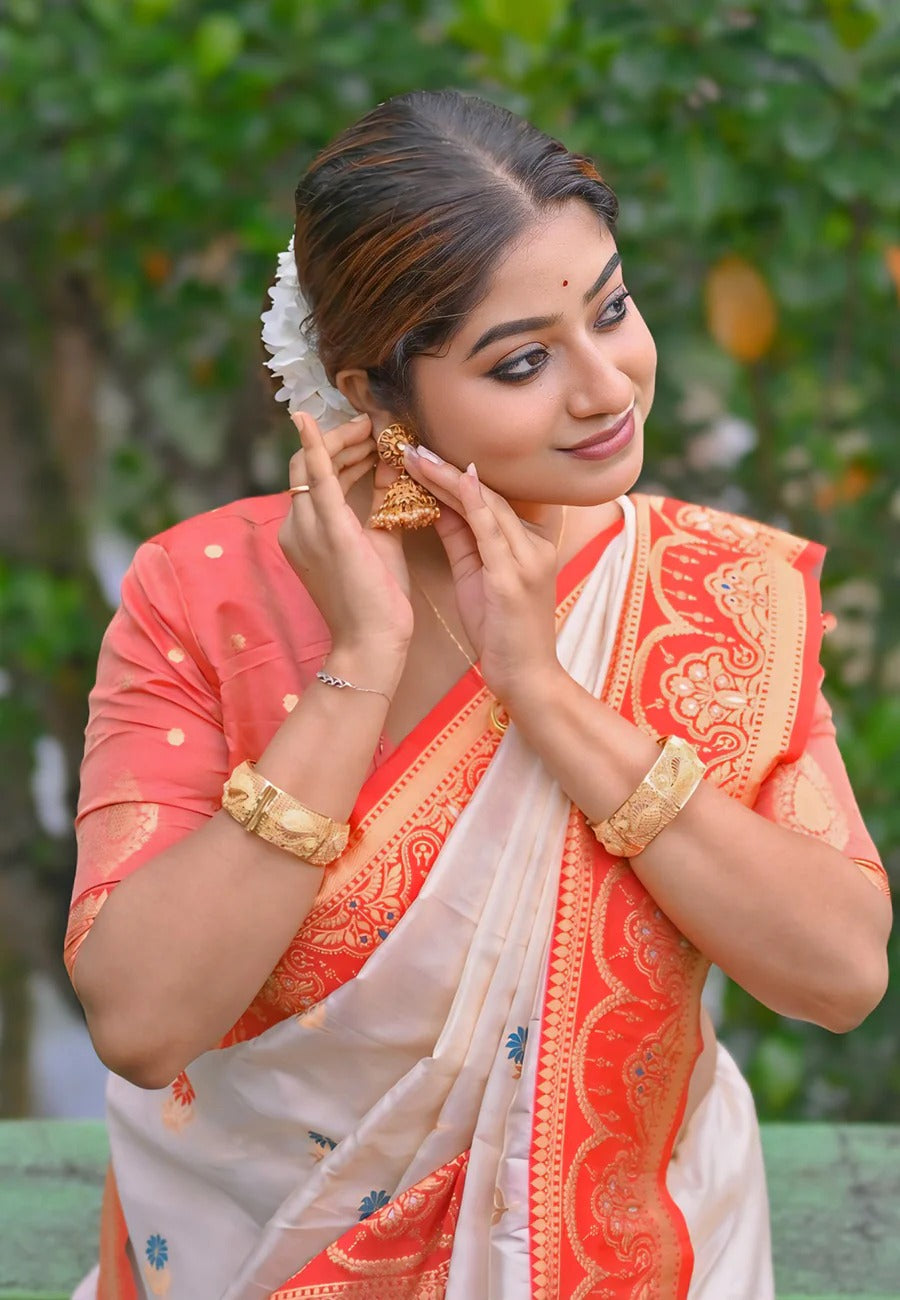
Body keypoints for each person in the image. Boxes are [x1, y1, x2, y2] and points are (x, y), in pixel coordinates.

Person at [66, 90, 890, 1300]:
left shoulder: (715, 594)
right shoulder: (205, 593)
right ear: (375, 394)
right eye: (522, 362)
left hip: (631, 1262)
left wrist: (545, 693)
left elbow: (840, 973)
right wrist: (360, 661)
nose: (606, 387)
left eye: (612, 309)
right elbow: (142, 1023)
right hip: (251, 1258)